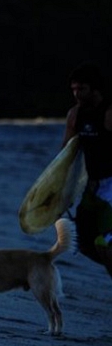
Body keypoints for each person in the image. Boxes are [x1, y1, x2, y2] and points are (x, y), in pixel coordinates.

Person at [63, 62, 112, 278]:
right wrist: (57, 193)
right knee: (81, 243)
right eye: (73, 89)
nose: (77, 94)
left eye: (81, 89)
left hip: (111, 189)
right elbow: (65, 156)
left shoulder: (109, 113)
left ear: (94, 89)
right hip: (91, 189)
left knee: (106, 244)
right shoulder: (75, 115)